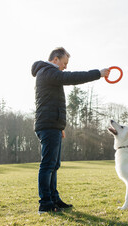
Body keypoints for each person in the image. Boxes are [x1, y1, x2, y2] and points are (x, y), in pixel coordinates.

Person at [31, 47, 110, 214]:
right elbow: (71, 77)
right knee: (48, 165)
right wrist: (98, 73)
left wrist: (60, 127)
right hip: (48, 126)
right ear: (55, 60)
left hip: (53, 125)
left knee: (54, 165)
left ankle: (54, 199)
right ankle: (45, 204)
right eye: (64, 63)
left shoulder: (49, 74)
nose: (65, 67)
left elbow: (53, 102)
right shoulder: (47, 72)